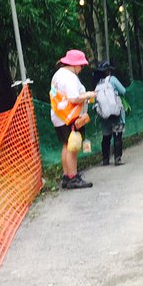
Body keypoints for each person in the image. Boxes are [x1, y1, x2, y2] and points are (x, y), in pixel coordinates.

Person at [49, 50, 94, 190]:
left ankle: (66, 176)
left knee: (65, 145)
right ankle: (73, 177)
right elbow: (74, 97)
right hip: (70, 117)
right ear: (74, 64)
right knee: (73, 147)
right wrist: (88, 95)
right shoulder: (69, 77)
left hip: (59, 116)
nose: (81, 69)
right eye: (81, 65)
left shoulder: (58, 75)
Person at [94, 61, 127, 166]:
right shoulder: (112, 79)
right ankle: (117, 158)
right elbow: (123, 91)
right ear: (108, 71)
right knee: (117, 135)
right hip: (116, 113)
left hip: (104, 115)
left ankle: (105, 159)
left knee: (106, 137)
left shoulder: (97, 83)